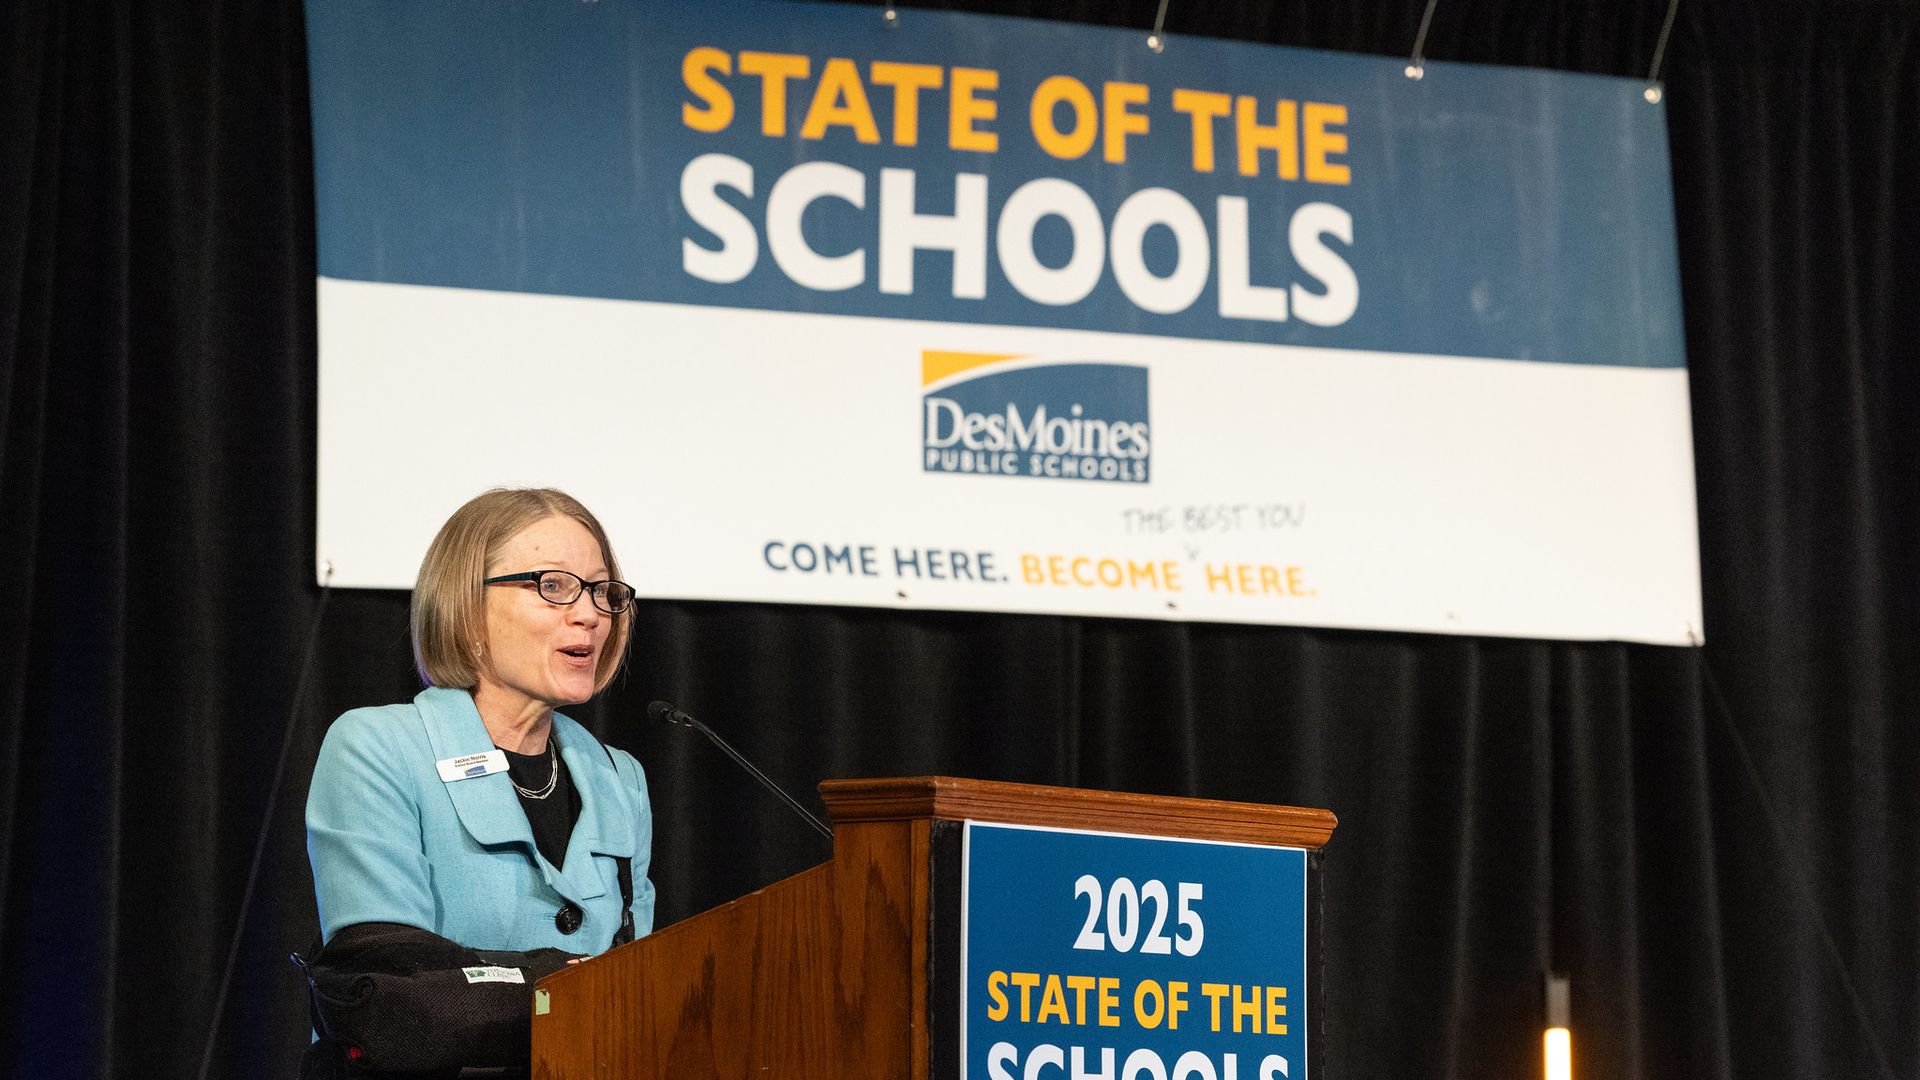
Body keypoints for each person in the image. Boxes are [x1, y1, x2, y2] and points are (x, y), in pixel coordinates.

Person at [302, 488, 655, 1074]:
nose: (590, 613)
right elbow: (396, 993)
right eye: (554, 585)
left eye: (600, 590)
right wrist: (560, 983)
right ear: (468, 609)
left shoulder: (619, 778)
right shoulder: (379, 747)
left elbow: (640, 997)